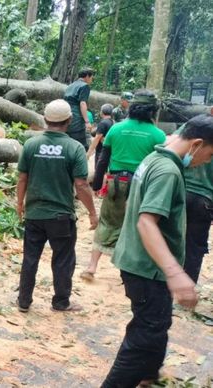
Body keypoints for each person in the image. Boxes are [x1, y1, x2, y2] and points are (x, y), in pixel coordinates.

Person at [101, 114, 213, 387]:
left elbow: (133, 207)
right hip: (148, 269)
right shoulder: (168, 171)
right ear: (196, 144)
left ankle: (149, 375)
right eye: (210, 155)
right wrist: (175, 273)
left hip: (138, 261)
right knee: (144, 335)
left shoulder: (153, 158)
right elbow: (146, 221)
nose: (207, 162)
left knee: (157, 324)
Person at [16, 99, 98, 313]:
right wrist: (92, 212)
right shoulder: (74, 148)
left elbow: (22, 178)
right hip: (61, 216)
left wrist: (19, 205)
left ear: (45, 120)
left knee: (30, 258)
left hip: (35, 213)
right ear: (69, 120)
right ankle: (61, 302)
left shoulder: (31, 145)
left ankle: (24, 301)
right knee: (63, 260)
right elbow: (81, 184)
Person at [82, 90, 166, 281]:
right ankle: (127, 273)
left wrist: (96, 185)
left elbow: (103, 159)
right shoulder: (158, 135)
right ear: (152, 111)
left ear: (132, 107)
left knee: (107, 222)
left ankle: (92, 267)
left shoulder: (116, 129)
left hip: (115, 183)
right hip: (142, 186)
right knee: (137, 226)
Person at [176, 110, 213, 284]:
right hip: (204, 199)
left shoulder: (189, 128)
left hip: (178, 190)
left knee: (169, 237)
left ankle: (166, 283)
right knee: (194, 246)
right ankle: (187, 286)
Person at [64, 68, 95, 149]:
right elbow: (82, 103)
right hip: (76, 117)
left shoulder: (70, 86)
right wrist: (87, 121)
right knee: (80, 144)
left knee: (67, 140)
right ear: (87, 76)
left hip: (66, 114)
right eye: (92, 77)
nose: (92, 79)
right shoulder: (85, 86)